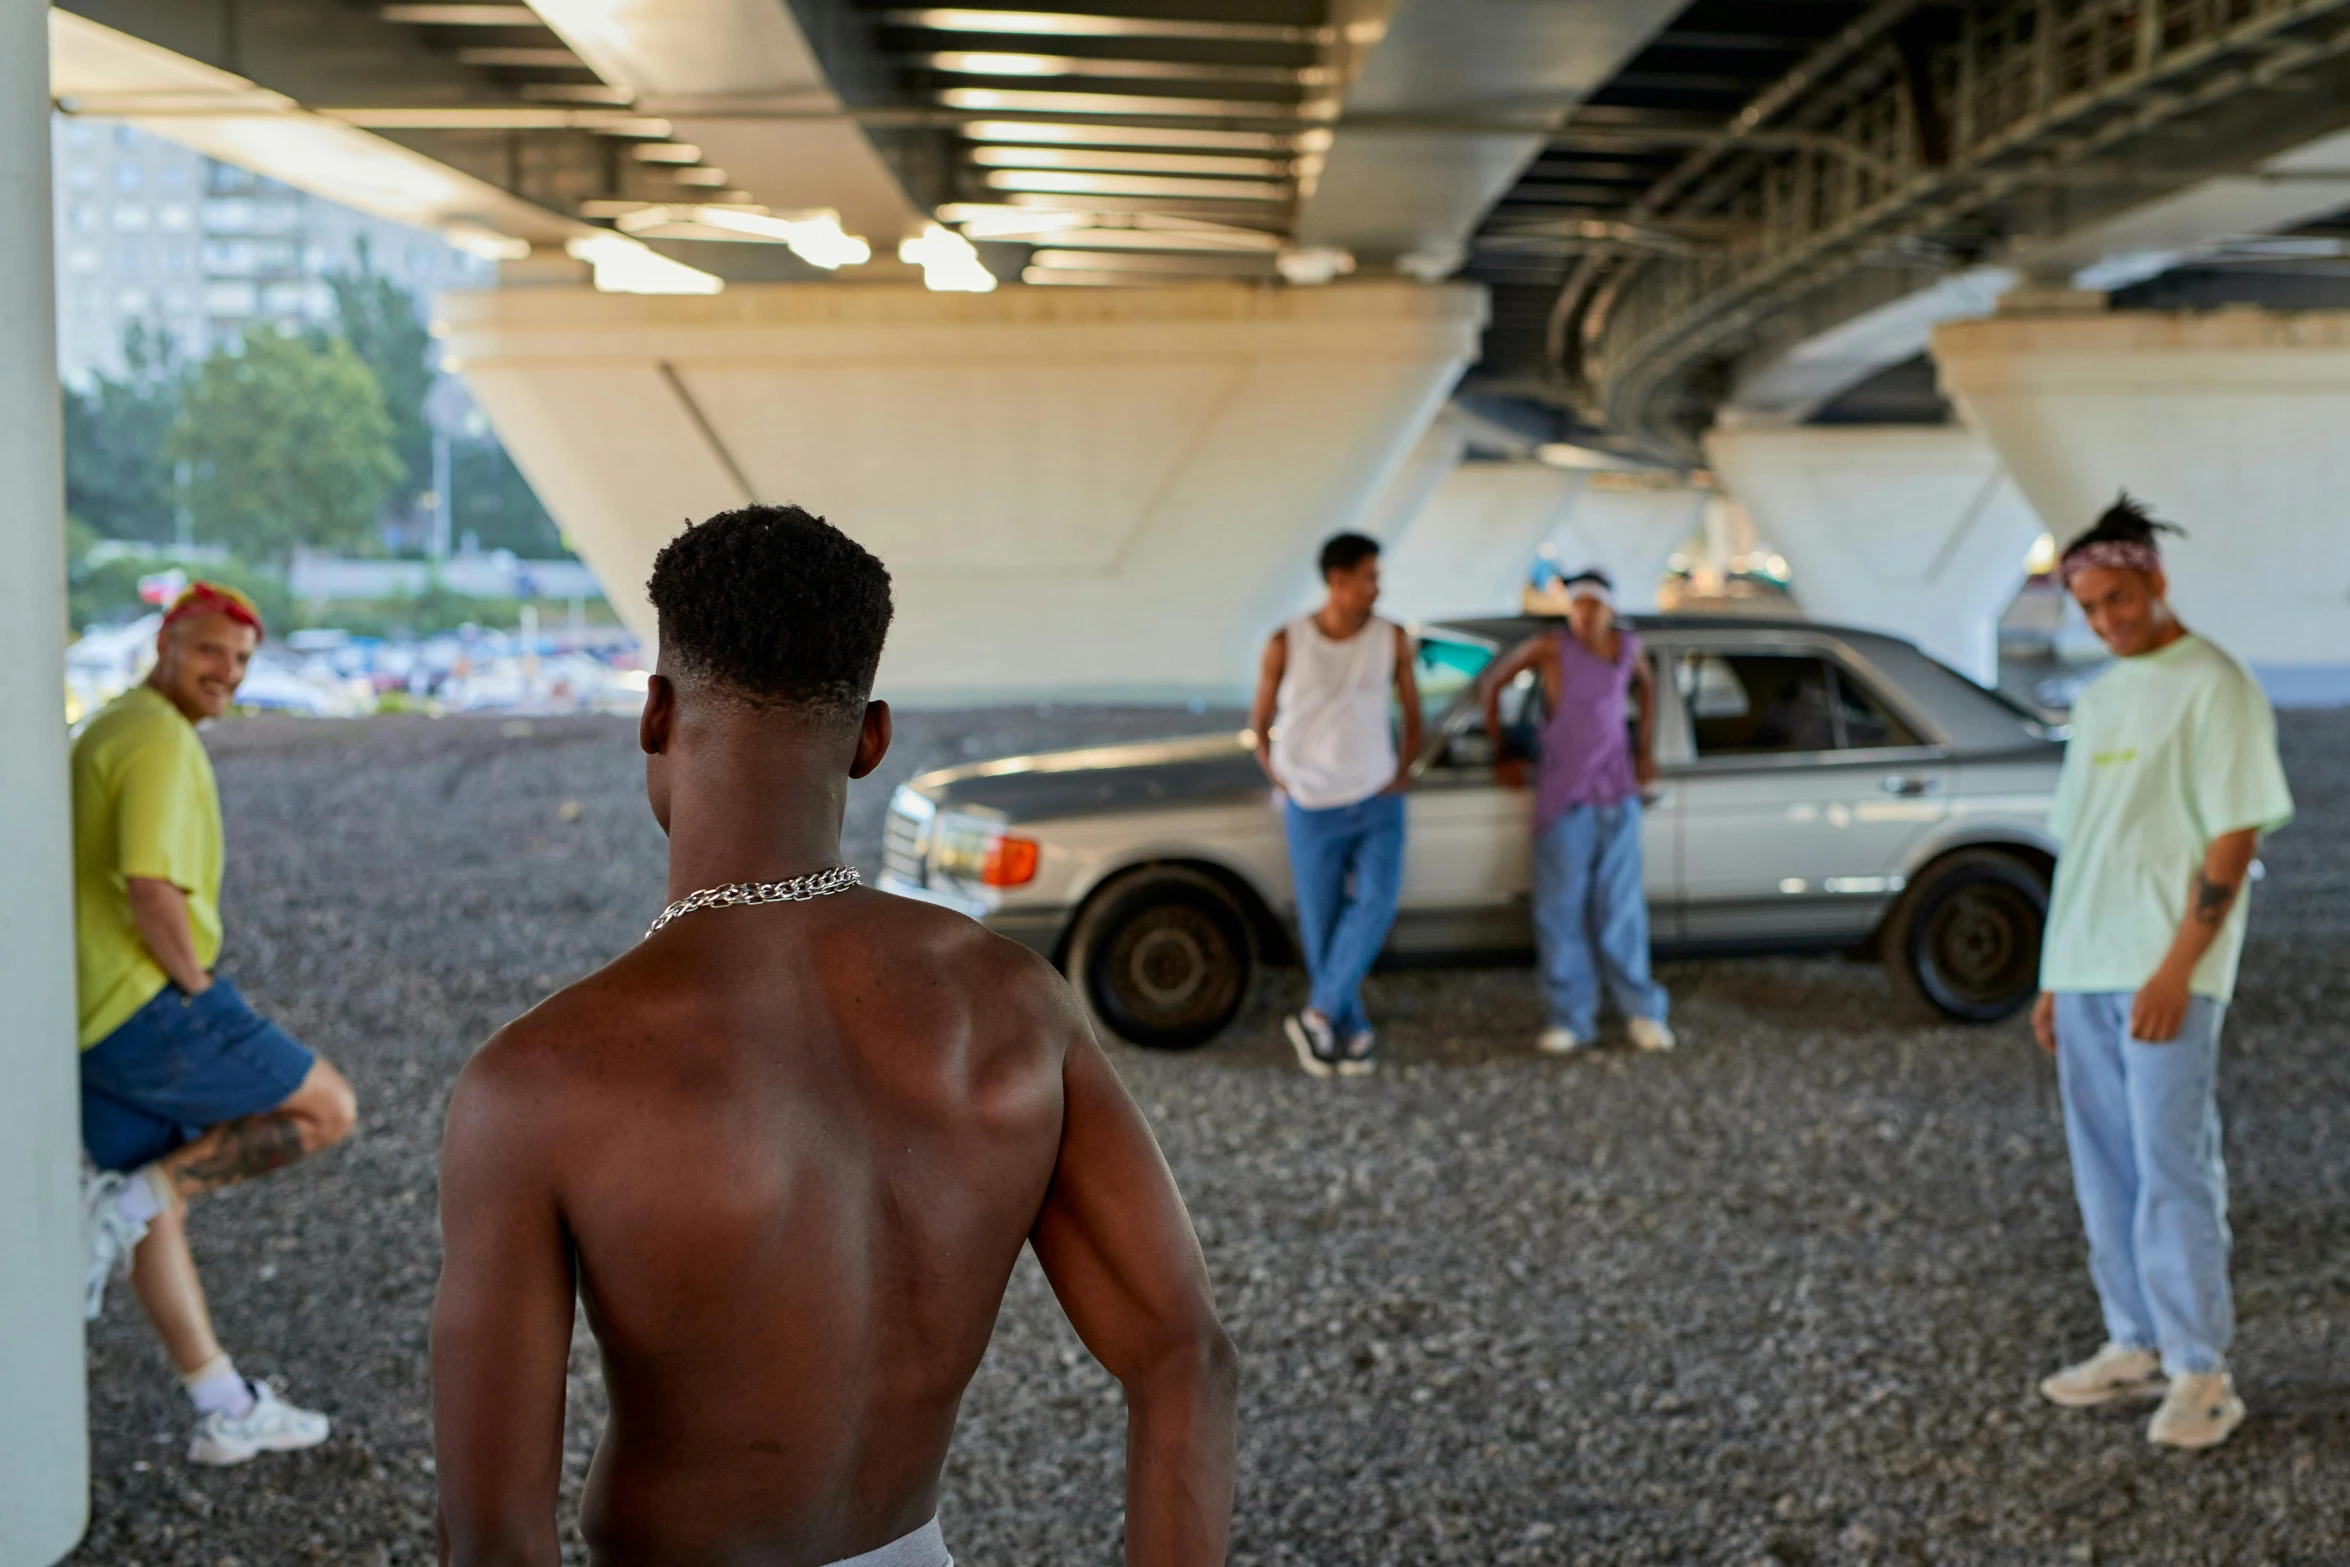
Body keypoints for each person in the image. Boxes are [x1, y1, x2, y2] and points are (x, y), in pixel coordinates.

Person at [432, 506, 1237, 1567]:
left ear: (656, 713)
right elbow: (1185, 1353)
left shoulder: (537, 1081)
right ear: (870, 739)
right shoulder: (1013, 1004)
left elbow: (492, 1541)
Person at [2029, 496, 2293, 1451]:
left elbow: (2233, 835)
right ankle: (2133, 1341)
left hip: (2162, 970)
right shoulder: (2100, 697)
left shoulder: (2213, 684)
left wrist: (2181, 965)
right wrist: (2055, 977)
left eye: (2118, 598)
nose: (2106, 620)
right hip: (2087, 964)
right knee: (2104, 1165)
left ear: (2156, 582)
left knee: (2172, 1163)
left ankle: (2201, 1371)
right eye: (2091, 607)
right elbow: (2082, 849)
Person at [75, 582, 359, 1466]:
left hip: (90, 1012)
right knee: (326, 1108)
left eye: (239, 661)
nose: (225, 674)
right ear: (165, 643)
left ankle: (223, 1403)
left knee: (149, 1199)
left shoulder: (121, 722)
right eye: (209, 652)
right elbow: (151, 887)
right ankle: (122, 1202)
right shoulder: (157, 741)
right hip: (145, 1001)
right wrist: (199, 990)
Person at [1479, 570, 1673, 1056]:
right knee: (1560, 910)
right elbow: (1493, 683)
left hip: (1617, 792)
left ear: (1608, 609)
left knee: (1621, 907)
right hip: (1564, 794)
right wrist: (1502, 749)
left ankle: (1642, 1011)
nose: (1583, 615)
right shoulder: (1549, 647)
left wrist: (1644, 749)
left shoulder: (1628, 648)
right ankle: (1571, 1016)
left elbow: (1648, 689)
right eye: (1576, 606)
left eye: (1591, 606)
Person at [1249, 532, 1421, 1078]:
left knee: (1376, 904)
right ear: (1337, 581)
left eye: (1378, 577)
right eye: (1368, 577)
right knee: (1321, 924)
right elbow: (1259, 723)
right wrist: (1281, 776)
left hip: (1377, 798)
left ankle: (1317, 1014)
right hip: (1312, 804)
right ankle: (1348, 1031)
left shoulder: (1392, 637)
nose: (1377, 587)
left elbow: (1413, 713)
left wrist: (1404, 770)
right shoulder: (1286, 640)